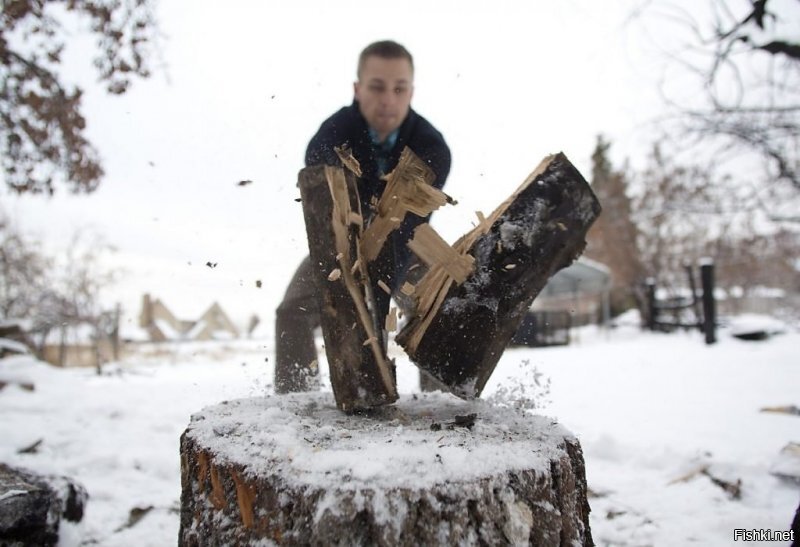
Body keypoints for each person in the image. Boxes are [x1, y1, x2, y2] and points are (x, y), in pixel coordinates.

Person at [275, 40, 451, 393]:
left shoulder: (432, 148)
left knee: (441, 308)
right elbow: (327, 225)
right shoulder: (329, 140)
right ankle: (294, 401)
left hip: (406, 243)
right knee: (291, 311)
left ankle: (444, 406)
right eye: (376, 87)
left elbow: (409, 227)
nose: (388, 99)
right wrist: (354, 281)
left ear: (410, 92)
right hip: (343, 246)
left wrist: (377, 294)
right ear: (357, 89)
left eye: (399, 89)